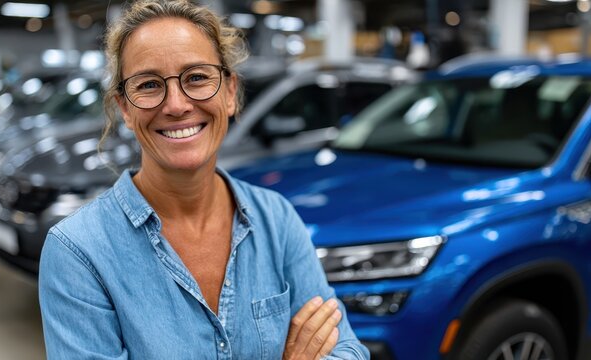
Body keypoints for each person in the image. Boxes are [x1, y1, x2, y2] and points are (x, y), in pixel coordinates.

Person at [38, 1, 370, 359]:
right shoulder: (79, 253)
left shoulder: (276, 218)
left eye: (196, 77)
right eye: (149, 84)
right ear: (125, 109)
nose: (177, 105)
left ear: (229, 93)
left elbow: (347, 350)